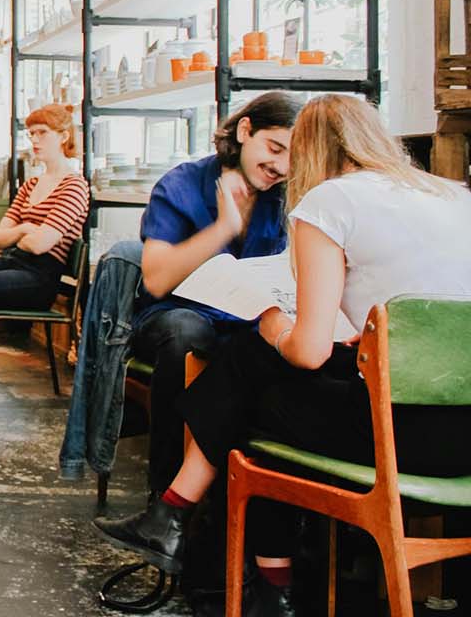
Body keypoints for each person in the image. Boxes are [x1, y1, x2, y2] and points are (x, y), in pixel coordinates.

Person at [94, 95, 471, 617]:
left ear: (310, 150)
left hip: (398, 436)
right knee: (258, 374)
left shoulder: (330, 203)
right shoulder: (455, 195)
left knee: (257, 385)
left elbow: (309, 352)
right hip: (463, 436)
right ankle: (198, 534)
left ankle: (218, 548)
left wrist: (272, 321)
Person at [59, 91, 300, 490]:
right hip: (174, 316)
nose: (280, 166)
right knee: (189, 333)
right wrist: (222, 228)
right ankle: (166, 501)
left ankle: (256, 509)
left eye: (293, 157)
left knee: (284, 350)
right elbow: (155, 279)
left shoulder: (285, 198)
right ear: (245, 130)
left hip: (249, 322)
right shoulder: (183, 184)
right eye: (274, 148)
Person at [0, 103, 89, 406]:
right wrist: (25, 229)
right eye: (31, 134)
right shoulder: (30, 184)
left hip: (40, 277)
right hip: (12, 262)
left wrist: (24, 231)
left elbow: (43, 244)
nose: (34, 140)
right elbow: (1, 237)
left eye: (42, 133)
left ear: (63, 136)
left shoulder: (74, 186)